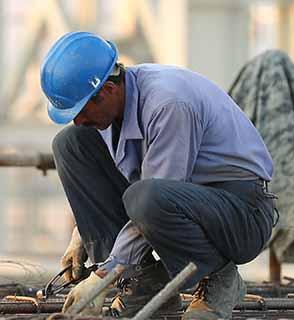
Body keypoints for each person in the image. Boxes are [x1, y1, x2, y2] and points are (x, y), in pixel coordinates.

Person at [42, 31, 279, 319]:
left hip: (240, 213)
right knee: (70, 143)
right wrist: (82, 233)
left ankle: (219, 276)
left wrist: (103, 275)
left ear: (108, 90)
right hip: (182, 201)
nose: (78, 120)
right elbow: (130, 181)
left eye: (80, 110)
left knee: (145, 197)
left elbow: (153, 194)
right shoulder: (115, 108)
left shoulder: (168, 104)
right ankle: (142, 283)